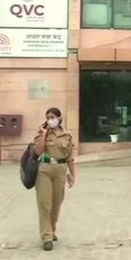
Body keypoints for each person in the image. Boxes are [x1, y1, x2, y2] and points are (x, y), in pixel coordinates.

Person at [32, 107, 76, 251]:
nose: (50, 120)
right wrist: (44, 134)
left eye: (52, 117)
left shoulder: (67, 136)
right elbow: (37, 151)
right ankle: (46, 237)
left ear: (59, 118)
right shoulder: (41, 133)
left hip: (60, 170)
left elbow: (69, 157)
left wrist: (72, 174)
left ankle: (51, 229)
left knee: (56, 203)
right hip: (44, 169)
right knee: (45, 203)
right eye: (48, 117)